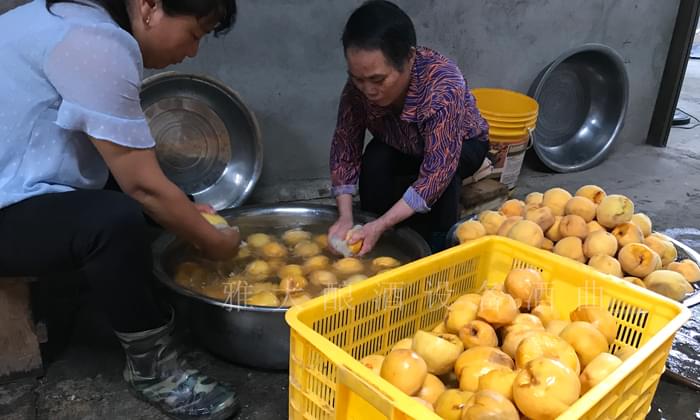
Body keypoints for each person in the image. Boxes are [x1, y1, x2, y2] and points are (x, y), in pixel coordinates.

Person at [0, 1, 241, 418]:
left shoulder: (68, 17)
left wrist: (184, 209)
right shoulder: (98, 43)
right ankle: (155, 370)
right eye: (195, 34)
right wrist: (216, 244)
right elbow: (143, 187)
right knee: (115, 221)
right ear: (149, 6)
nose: (193, 51)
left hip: (15, 178)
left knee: (141, 191)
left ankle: (141, 294)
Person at [328, 0, 490, 254]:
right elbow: (344, 148)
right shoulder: (356, 91)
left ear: (409, 58)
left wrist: (386, 222)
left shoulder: (443, 85)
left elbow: (437, 172)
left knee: (446, 179)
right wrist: (345, 217)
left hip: (464, 143)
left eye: (377, 79)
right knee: (375, 158)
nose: (367, 90)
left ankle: (437, 249)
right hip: (402, 140)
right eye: (357, 78)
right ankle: (373, 234)